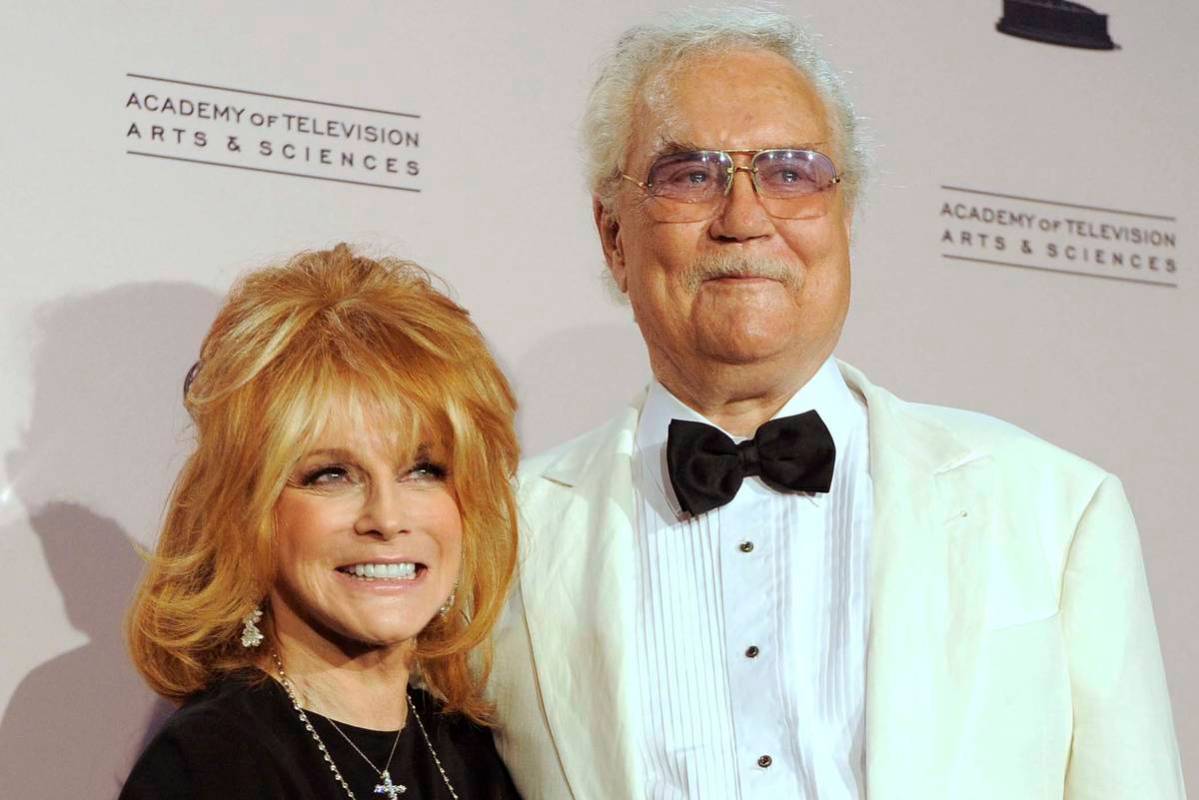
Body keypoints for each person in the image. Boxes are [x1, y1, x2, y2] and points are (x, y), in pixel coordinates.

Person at [488, 8, 1185, 800]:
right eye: (691, 175)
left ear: (843, 219)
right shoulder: (502, 537)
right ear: (613, 235)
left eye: (790, 173)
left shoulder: (1054, 508)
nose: (744, 219)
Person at [121, 245, 522, 799]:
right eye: (331, 474)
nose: (386, 516)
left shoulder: (473, 750)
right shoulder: (209, 767)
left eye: (424, 470)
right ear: (248, 511)